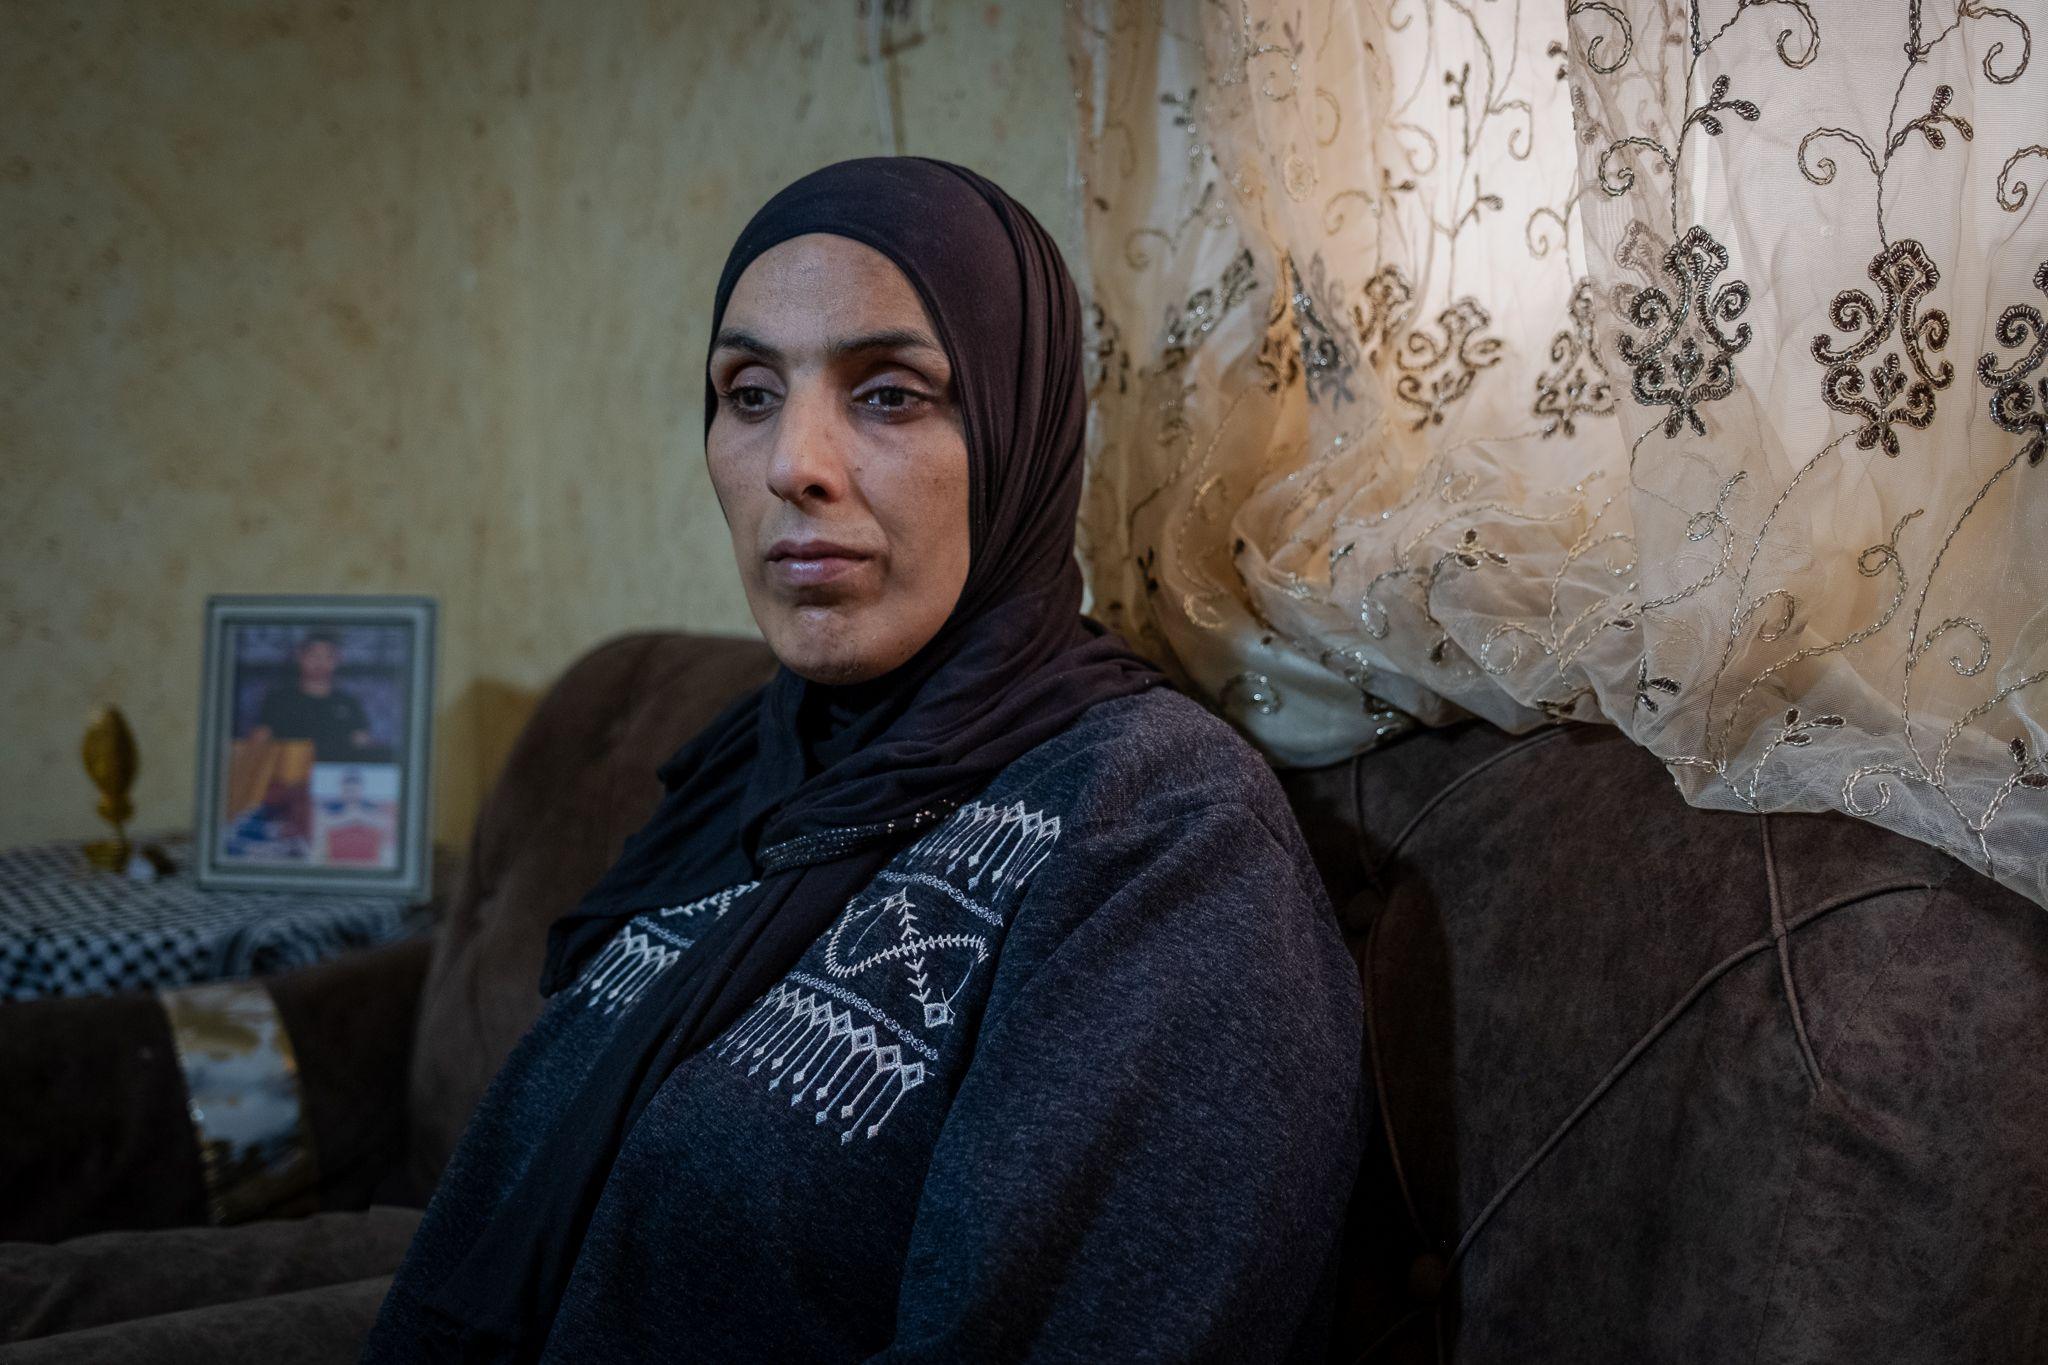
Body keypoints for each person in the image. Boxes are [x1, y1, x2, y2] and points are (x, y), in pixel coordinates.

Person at [363, 157, 1362, 1362]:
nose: (794, 462)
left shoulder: (1151, 827)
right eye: (747, 392)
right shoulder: (746, 770)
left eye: (888, 394)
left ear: (1018, 428)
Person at [250, 630, 375, 761]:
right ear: (300, 656)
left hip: (334, 774)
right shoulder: (278, 700)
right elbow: (258, 741)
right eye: (314, 655)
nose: (320, 663)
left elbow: (363, 745)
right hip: (289, 773)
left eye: (327, 656)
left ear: (338, 660)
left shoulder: (348, 703)